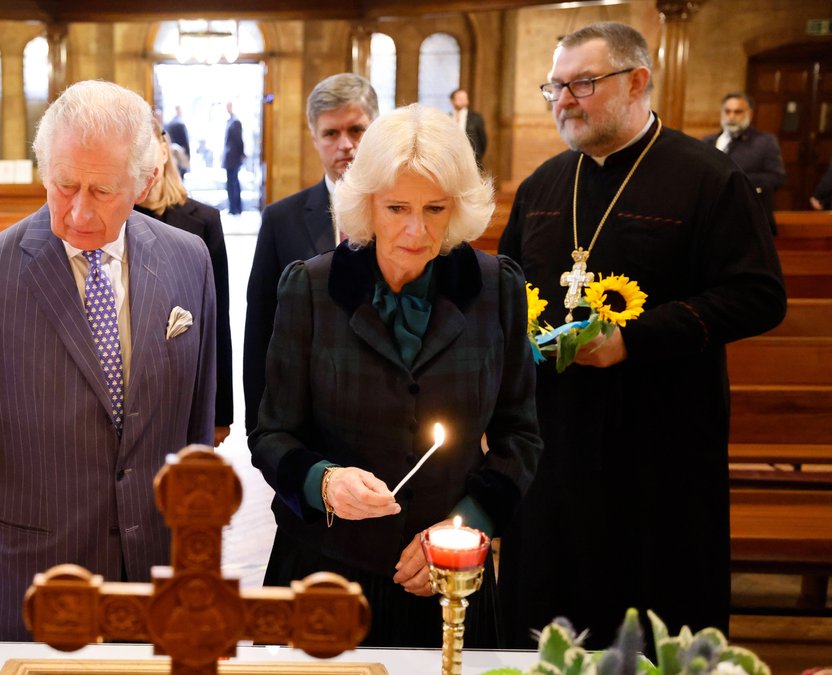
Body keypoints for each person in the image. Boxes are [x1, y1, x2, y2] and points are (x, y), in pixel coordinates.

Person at [0, 80, 217, 641]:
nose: (79, 212)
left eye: (103, 191)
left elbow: (195, 422)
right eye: (64, 185)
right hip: (35, 572)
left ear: (146, 180)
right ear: (44, 171)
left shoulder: (189, 259)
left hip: (159, 567)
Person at [498, 22, 786, 648]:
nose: (564, 100)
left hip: (662, 452)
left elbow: (760, 297)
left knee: (656, 623)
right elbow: (508, 294)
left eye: (582, 83)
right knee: (546, 622)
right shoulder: (544, 184)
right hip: (555, 450)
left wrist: (636, 339)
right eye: (555, 86)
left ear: (637, 82)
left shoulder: (708, 177)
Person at [249, 104, 542, 648]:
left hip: (451, 575)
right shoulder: (311, 289)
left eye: (435, 208)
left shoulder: (496, 287)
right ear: (366, 205)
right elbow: (271, 436)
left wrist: (468, 526)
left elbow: (519, 434)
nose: (417, 229)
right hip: (327, 568)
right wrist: (326, 483)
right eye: (397, 207)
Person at [243, 73, 378, 433]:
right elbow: (260, 324)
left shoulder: (401, 213)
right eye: (331, 133)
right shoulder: (281, 219)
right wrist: (258, 425)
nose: (345, 145)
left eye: (357, 130)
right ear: (314, 138)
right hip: (308, 414)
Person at [135, 118, 232, 445]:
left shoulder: (203, 221)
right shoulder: (116, 220)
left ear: (164, 150)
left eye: (150, 147)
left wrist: (220, 412)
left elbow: (219, 319)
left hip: (185, 386)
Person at [702, 93, 785, 233]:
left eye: (738, 112)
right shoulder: (708, 141)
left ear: (750, 114)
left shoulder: (765, 142)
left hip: (748, 219)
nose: (731, 116)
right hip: (712, 219)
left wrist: (734, 180)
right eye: (727, 111)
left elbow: (777, 178)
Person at [450, 88, 488, 166]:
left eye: (465, 98)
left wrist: (478, 156)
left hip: (471, 158)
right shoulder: (447, 117)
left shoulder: (476, 118)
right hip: (451, 158)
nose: (463, 100)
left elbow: (482, 140)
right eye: (460, 98)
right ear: (452, 100)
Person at [223, 102, 245, 215]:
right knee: (231, 183)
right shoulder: (231, 121)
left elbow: (239, 141)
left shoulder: (235, 122)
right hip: (230, 158)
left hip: (233, 158)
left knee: (234, 183)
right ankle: (233, 207)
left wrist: (242, 154)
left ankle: (236, 208)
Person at [165, 105, 191, 176]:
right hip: (180, 152)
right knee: (180, 174)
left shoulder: (169, 124)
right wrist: (188, 155)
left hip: (171, 153)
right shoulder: (181, 124)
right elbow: (185, 141)